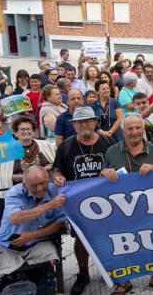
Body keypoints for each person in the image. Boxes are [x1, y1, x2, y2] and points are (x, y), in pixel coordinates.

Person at [99, 113, 153, 295]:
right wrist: (104, 172)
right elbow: (102, 179)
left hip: (151, 208)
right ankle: (124, 281)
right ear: (122, 131)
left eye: (138, 127)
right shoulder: (112, 151)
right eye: (130, 128)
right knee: (122, 243)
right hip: (122, 210)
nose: (135, 132)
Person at [52, 107, 117, 295]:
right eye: (79, 121)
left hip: (107, 200)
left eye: (88, 120)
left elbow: (120, 166)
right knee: (81, 238)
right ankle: (82, 273)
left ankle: (111, 268)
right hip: (79, 203)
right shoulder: (66, 146)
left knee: (109, 236)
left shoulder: (108, 142)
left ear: (95, 122)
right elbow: (57, 170)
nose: (84, 124)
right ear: (73, 125)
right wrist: (57, 177)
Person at [0, 166, 66, 278]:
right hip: (7, 245)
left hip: (39, 243)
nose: (39, 189)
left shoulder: (55, 191)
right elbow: (15, 218)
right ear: (24, 185)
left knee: (43, 272)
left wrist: (33, 235)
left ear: (48, 179)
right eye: (34, 185)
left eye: (43, 183)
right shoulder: (15, 192)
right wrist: (49, 205)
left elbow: (59, 223)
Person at [9, 118, 56, 185]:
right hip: (19, 186)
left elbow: (53, 164)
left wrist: (40, 171)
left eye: (28, 129)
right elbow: (5, 175)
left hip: (44, 184)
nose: (26, 132)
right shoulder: (9, 150)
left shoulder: (44, 145)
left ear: (33, 132)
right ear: (15, 132)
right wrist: (27, 177)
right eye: (22, 129)